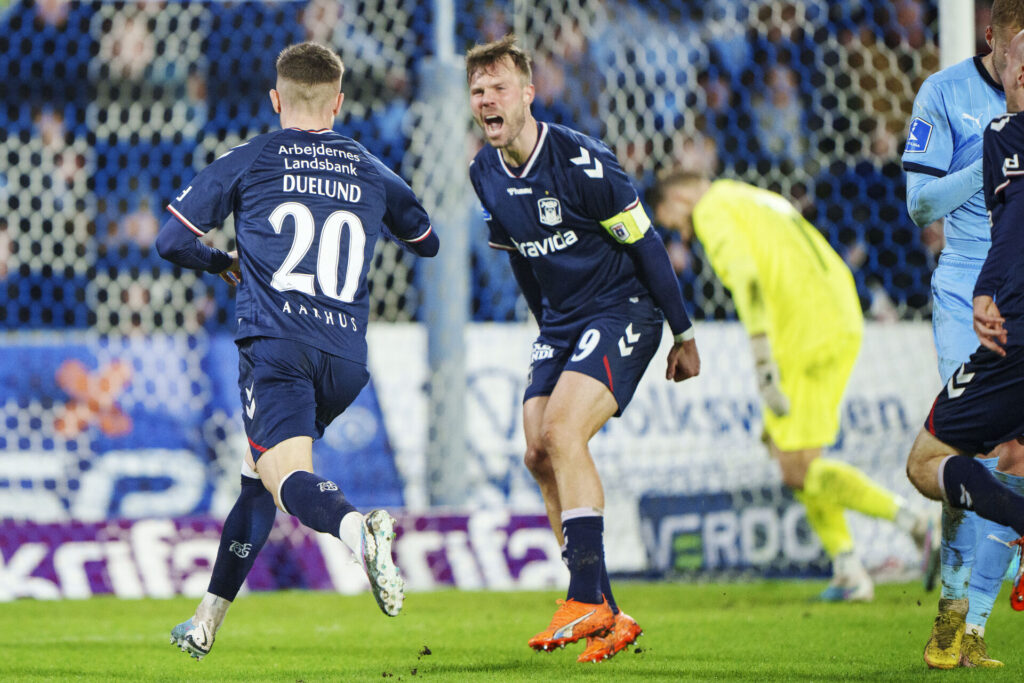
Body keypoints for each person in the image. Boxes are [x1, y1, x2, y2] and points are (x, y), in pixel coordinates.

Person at [156, 42, 439, 660]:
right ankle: (207, 620)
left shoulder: (252, 157)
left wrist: (222, 261)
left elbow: (171, 240)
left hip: (277, 349)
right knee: (257, 478)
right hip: (345, 361)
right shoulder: (369, 165)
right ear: (338, 102)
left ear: (275, 99)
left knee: (286, 482)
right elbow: (427, 240)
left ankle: (355, 529)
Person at [465, 35, 700, 664]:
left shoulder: (582, 162)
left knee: (565, 433)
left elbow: (647, 244)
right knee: (538, 450)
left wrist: (683, 333)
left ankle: (584, 597)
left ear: (528, 94)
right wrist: (548, 329)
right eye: (478, 90)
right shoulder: (483, 172)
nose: (487, 99)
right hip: (563, 322)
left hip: (622, 308)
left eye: (498, 88)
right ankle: (610, 614)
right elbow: (517, 256)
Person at [651, 173, 936, 603]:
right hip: (833, 314)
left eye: (669, 217)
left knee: (797, 468)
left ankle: (914, 524)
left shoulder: (711, 209)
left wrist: (763, 361)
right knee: (797, 460)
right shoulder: (746, 195)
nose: (677, 228)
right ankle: (849, 570)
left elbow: (747, 280)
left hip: (804, 333)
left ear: (678, 196)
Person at [902, 0, 1024, 668]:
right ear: (993, 41)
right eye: (1017, 50)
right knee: (966, 453)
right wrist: (992, 165)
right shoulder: (945, 93)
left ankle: (975, 625)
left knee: (1017, 458)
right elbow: (919, 203)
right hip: (963, 297)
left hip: (1021, 299)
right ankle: (950, 609)